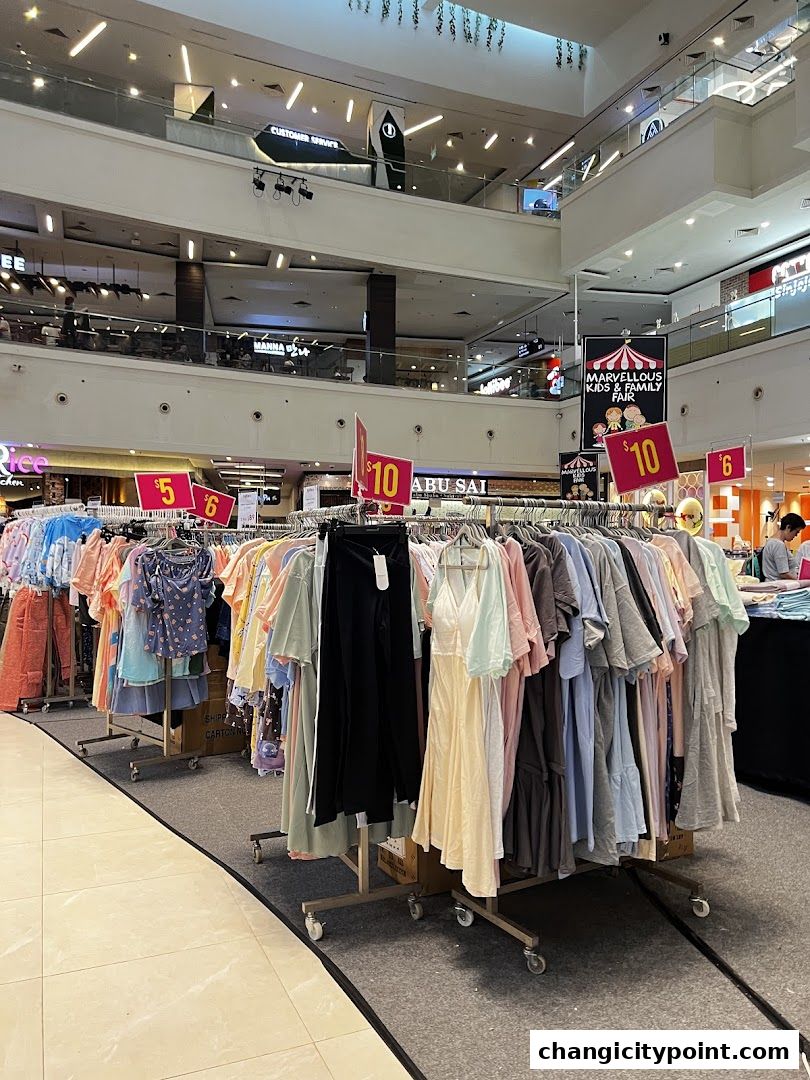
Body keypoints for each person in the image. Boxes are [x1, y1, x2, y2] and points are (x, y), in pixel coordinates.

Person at [761, 512, 806, 580]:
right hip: (778, 585)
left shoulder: (771, 541)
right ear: (788, 527)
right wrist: (800, 580)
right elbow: (783, 573)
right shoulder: (778, 545)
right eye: (796, 532)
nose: (796, 535)